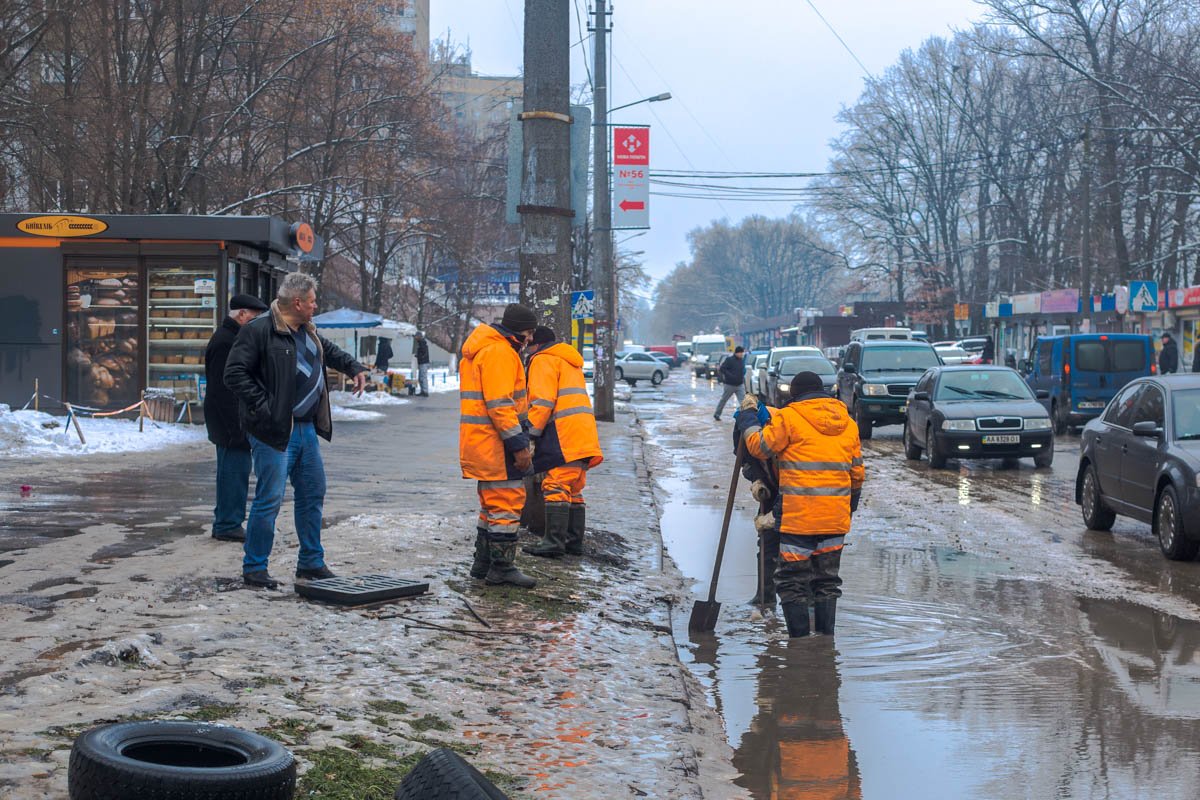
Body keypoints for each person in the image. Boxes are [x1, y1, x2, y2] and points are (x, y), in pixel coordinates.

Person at [224, 272, 368, 590]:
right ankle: (255, 567)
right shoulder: (259, 330)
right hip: (274, 432)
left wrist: (353, 367)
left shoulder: (307, 331)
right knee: (270, 499)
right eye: (313, 301)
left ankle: (311, 563)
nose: (316, 306)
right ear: (298, 302)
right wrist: (267, 408)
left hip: (306, 430)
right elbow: (234, 373)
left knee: (313, 493)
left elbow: (329, 351)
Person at [735, 371, 864, 637]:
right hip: (834, 518)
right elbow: (857, 475)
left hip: (799, 518)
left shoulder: (789, 417)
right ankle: (824, 642)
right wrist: (848, 509)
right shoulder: (849, 423)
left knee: (792, 581)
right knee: (826, 581)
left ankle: (800, 644)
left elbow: (759, 446)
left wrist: (747, 418)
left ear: (794, 394)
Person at [459, 303, 538, 588]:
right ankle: (502, 568)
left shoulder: (484, 349)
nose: (530, 338)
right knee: (506, 503)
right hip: (497, 444)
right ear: (517, 330)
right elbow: (501, 405)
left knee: (491, 506)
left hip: (482, 443)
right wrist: (519, 446)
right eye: (528, 332)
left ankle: (483, 563)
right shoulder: (500, 352)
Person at [522, 327, 603, 558]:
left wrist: (529, 434)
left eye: (529, 345)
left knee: (555, 485)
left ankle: (553, 543)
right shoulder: (569, 361)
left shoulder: (543, 360)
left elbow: (542, 402)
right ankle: (572, 542)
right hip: (583, 432)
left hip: (563, 433)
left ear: (536, 345)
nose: (527, 349)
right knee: (574, 488)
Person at [203, 294, 269, 542]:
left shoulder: (230, 337)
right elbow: (224, 390)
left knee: (233, 472)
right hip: (230, 422)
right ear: (241, 314)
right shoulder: (226, 341)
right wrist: (237, 427)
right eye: (253, 317)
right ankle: (228, 524)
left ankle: (226, 521)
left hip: (230, 420)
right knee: (233, 473)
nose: (256, 323)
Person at [713, 346, 747, 421]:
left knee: (744, 401)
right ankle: (717, 414)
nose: (742, 354)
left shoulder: (742, 361)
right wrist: (730, 375)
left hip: (740, 385)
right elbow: (722, 369)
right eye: (741, 353)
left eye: (742, 353)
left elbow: (743, 370)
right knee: (724, 400)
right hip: (729, 385)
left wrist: (742, 376)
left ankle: (745, 416)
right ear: (737, 353)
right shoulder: (729, 360)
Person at [414, 330, 431, 396]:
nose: (415, 337)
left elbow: (424, 353)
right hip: (422, 362)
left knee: (423, 377)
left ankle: (425, 391)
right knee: (421, 378)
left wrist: (419, 356)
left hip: (423, 363)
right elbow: (423, 352)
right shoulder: (421, 343)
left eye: (416, 336)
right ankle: (423, 391)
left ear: (419, 336)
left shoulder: (422, 343)